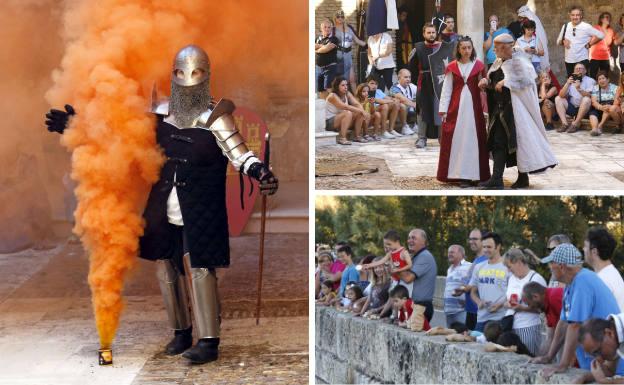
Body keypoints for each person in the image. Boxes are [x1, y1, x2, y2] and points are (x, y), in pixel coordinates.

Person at [45, 45, 277, 364]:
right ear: (173, 74)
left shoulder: (216, 118)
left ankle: (208, 341)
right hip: (164, 204)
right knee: (166, 267)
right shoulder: (161, 113)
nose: (188, 80)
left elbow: (240, 155)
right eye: (181, 73)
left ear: (206, 76)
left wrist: (260, 171)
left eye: (195, 73)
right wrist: (79, 126)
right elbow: (123, 140)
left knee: (199, 267)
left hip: (200, 206)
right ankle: (180, 331)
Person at [478, 33, 557, 190]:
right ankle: (498, 179)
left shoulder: (520, 61)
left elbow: (526, 81)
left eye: (496, 48)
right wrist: (486, 80)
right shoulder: (500, 60)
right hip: (499, 110)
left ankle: (518, 178)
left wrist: (507, 81)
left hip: (514, 111)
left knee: (518, 144)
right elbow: (493, 75)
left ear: (505, 47)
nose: (494, 50)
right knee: (498, 142)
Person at [530, 244, 620, 380]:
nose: (549, 267)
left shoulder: (583, 281)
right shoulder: (572, 283)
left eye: (551, 263)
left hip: (611, 362)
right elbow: (563, 322)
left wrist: (562, 364)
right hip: (598, 360)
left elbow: (574, 325)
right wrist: (549, 357)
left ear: (561, 266)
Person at [437, 36, 490, 187]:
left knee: (474, 141)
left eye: (469, 48)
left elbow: (486, 85)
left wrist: (485, 83)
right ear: (458, 50)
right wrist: (443, 110)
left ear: (472, 49)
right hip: (456, 109)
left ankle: (477, 175)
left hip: (475, 110)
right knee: (459, 141)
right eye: (463, 48)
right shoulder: (452, 67)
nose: (467, 51)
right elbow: (446, 90)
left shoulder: (479, 66)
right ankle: (462, 175)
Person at [502, 248, 547, 356]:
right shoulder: (512, 278)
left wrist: (521, 308)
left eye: (509, 266)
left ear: (518, 262)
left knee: (529, 358)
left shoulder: (536, 279)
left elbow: (545, 308)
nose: (508, 270)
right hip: (511, 326)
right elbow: (505, 301)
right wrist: (507, 305)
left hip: (529, 327)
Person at [409, 23, 447, 148]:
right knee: (422, 109)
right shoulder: (418, 48)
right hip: (423, 82)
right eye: (428, 32)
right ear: (424, 34)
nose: (431, 35)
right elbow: (412, 68)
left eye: (433, 32)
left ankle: (443, 138)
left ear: (436, 33)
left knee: (441, 109)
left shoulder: (443, 47)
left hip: (440, 82)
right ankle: (421, 138)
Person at [469, 232, 509, 332]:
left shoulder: (507, 267)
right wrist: (479, 302)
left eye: (489, 247)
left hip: (500, 319)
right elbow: (473, 292)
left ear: (498, 247)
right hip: (481, 318)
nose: (486, 250)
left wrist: (500, 304)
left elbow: (514, 293)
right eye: (484, 247)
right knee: (474, 346)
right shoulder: (479, 267)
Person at [556, 5, 605, 78]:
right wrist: (563, 42)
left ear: (581, 16)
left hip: (582, 60)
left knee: (583, 82)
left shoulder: (586, 26)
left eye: (577, 15)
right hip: (569, 61)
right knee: (572, 83)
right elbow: (558, 42)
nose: (575, 17)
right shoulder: (565, 26)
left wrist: (590, 44)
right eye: (573, 15)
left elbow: (601, 35)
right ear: (569, 15)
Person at [584, 227, 624, 312]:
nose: (583, 249)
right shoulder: (611, 274)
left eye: (585, 246)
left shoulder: (601, 280)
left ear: (594, 251)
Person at [577, 315, 624, 383]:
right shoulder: (615, 331)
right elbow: (609, 370)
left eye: (598, 351)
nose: (599, 359)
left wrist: (607, 382)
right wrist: (584, 377)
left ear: (609, 333)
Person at [404, 228, 438, 322]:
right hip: (415, 305)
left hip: (421, 307)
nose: (410, 240)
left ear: (423, 242)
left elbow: (407, 278)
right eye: (409, 238)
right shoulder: (417, 256)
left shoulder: (424, 256)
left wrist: (395, 268)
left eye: (414, 238)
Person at [523, 281, 564, 356]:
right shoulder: (546, 306)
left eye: (529, 303)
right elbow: (550, 338)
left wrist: (548, 357)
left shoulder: (554, 296)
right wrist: (539, 358)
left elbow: (570, 326)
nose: (530, 307)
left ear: (535, 296)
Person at [325, 76, 369, 145]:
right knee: (348, 112)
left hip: (343, 120)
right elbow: (345, 107)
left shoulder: (347, 93)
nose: (346, 87)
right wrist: (362, 111)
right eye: (343, 85)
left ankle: (357, 136)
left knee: (359, 113)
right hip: (330, 123)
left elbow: (357, 104)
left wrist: (362, 111)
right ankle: (342, 138)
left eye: (346, 85)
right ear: (337, 86)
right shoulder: (332, 96)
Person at [554, 62, 596, 133]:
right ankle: (564, 124)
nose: (578, 70)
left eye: (580, 68)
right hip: (573, 107)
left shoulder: (590, 80)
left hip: (585, 109)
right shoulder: (571, 80)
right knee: (558, 98)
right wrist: (567, 83)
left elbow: (590, 96)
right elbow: (561, 95)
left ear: (585, 71)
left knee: (586, 99)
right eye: (576, 69)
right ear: (574, 71)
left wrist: (579, 89)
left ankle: (575, 124)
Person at [333, 10, 367, 92]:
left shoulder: (349, 28)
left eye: (342, 16)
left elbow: (357, 40)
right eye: (338, 17)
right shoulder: (332, 29)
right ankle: (339, 97)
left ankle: (356, 97)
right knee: (339, 80)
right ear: (335, 18)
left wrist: (368, 45)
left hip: (348, 55)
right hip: (338, 56)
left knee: (352, 79)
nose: (340, 18)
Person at [444, 244, 472, 327]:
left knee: (460, 336)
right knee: (449, 337)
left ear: (461, 254)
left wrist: (462, 289)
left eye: (452, 252)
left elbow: (474, 283)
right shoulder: (449, 269)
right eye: (449, 252)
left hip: (461, 311)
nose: (449, 254)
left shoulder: (469, 266)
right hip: (448, 311)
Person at [588, 71, 621, 136]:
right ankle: (594, 129)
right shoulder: (595, 88)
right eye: (599, 79)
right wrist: (600, 107)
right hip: (599, 107)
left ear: (608, 79)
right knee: (592, 114)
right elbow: (594, 101)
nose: (601, 81)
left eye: (603, 78)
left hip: (611, 110)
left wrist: (608, 106)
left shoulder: (615, 88)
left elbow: (616, 102)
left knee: (608, 109)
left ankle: (600, 126)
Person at [315, 19, 340, 98]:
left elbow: (327, 49)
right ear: (321, 28)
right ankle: (325, 106)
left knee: (329, 88)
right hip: (319, 68)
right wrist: (323, 46)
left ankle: (337, 105)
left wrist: (318, 49)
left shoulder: (334, 39)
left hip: (330, 67)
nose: (327, 29)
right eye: (325, 27)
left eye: (329, 27)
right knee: (321, 89)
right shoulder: (317, 38)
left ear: (331, 29)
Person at [389, 69, 418, 136]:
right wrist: (417, 105)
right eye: (405, 77)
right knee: (403, 105)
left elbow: (421, 94)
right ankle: (404, 127)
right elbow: (403, 100)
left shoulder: (411, 86)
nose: (408, 79)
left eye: (409, 77)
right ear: (399, 78)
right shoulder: (394, 88)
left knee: (422, 102)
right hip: (396, 114)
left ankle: (417, 125)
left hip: (408, 112)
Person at [590, 12, 615, 79]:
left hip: (606, 58)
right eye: (606, 17)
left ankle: (602, 90)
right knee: (593, 77)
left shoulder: (611, 31)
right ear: (601, 19)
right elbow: (590, 41)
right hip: (595, 57)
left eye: (609, 17)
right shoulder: (596, 28)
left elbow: (612, 43)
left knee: (604, 78)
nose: (608, 19)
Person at [396, 8, 416, 72]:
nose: (405, 17)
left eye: (406, 16)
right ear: (398, 15)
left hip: (404, 48)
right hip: (397, 48)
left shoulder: (405, 24)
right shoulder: (397, 24)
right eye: (403, 15)